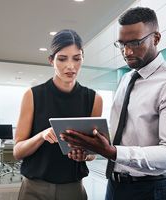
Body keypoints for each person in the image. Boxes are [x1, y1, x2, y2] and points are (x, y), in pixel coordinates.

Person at [61, 7, 166, 200]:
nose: (127, 51)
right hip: (116, 186)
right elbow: (123, 138)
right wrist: (90, 148)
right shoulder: (126, 79)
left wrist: (112, 152)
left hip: (153, 190)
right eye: (122, 44)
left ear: (156, 38)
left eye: (135, 43)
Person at [13, 29, 103, 200]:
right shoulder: (33, 95)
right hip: (34, 189)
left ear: (82, 58)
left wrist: (86, 154)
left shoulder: (94, 99)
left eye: (77, 58)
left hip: (73, 189)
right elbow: (18, 151)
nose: (70, 66)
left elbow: (93, 152)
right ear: (51, 61)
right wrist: (41, 136)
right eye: (62, 59)